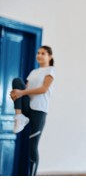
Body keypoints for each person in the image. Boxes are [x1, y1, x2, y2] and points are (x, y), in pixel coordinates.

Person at [10, 45, 55, 176]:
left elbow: (43, 89)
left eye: (43, 53)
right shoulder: (33, 72)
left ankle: (32, 178)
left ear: (50, 57)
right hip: (27, 107)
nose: (39, 55)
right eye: (38, 53)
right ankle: (19, 117)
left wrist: (21, 92)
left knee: (32, 146)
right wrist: (16, 95)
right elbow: (25, 92)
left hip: (39, 111)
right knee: (17, 81)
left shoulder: (51, 70)